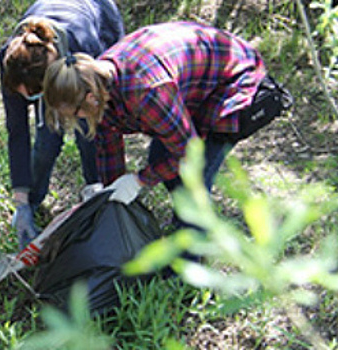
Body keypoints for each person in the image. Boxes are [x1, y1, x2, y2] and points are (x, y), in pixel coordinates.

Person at [42, 22, 293, 230]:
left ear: (89, 98)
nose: (79, 119)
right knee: (162, 159)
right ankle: (182, 229)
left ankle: (187, 274)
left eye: (76, 113)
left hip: (233, 82)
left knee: (191, 181)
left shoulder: (146, 92)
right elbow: (109, 146)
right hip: (192, 87)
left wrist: (139, 180)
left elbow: (188, 153)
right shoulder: (98, 83)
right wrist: (110, 196)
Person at [0, 0, 125, 249]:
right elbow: (17, 132)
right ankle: (33, 200)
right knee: (47, 142)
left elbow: (98, 116)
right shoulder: (12, 62)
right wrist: (21, 200)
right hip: (44, 69)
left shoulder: (84, 46)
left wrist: (100, 183)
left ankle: (95, 188)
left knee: (87, 128)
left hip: (98, 15)